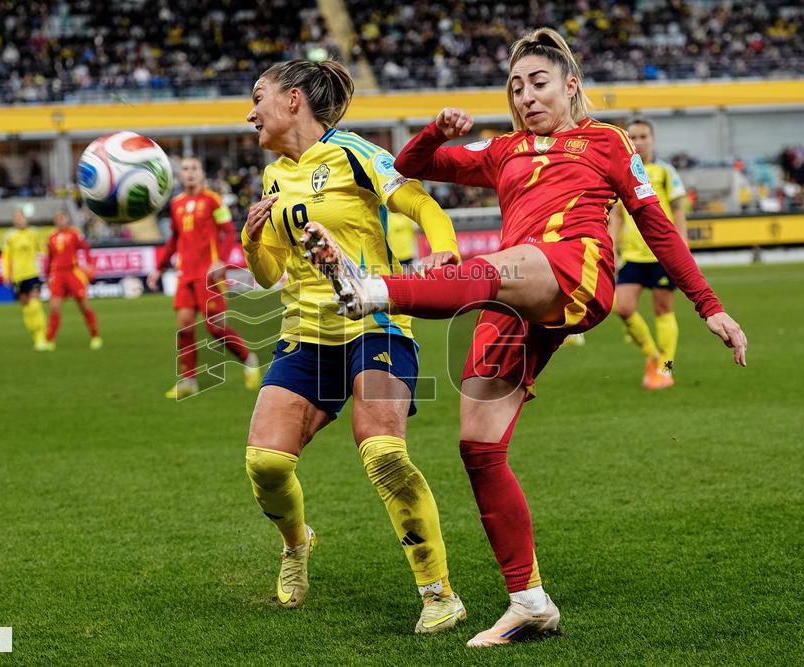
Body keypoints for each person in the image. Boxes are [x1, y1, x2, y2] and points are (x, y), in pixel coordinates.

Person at [302, 28, 747, 648]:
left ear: (570, 85)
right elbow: (410, 167)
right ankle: (529, 602)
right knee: (478, 446)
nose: (526, 96)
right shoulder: (503, 149)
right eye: (515, 87)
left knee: (498, 266)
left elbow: (657, 223)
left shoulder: (608, 142)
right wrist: (438, 131)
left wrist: (710, 306)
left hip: (574, 266)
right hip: (516, 296)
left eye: (538, 83)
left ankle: (369, 290)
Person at [241, 59, 468, 633]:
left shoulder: (354, 152)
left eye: (258, 97)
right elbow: (268, 275)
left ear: (293, 100)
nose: (251, 112)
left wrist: (441, 247)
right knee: (265, 464)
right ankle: (297, 544)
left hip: (374, 323)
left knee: (384, 453)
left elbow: (420, 202)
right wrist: (249, 240)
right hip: (306, 334)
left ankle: (439, 593)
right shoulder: (272, 178)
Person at [147, 157, 260, 398]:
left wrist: (219, 259)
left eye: (194, 169)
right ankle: (189, 381)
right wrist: (159, 267)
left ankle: (248, 358)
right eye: (185, 169)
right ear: (180, 176)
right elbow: (174, 240)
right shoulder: (176, 204)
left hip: (208, 275)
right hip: (184, 274)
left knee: (214, 328)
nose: (189, 173)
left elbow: (229, 233)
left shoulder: (213, 200)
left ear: (201, 174)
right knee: (184, 326)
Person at [608, 117, 689, 389]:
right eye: (633, 137)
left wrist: (683, 246)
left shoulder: (665, 172)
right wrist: (611, 245)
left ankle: (666, 367)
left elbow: (678, 210)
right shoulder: (622, 171)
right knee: (623, 308)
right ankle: (652, 356)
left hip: (662, 254)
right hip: (632, 255)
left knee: (663, 310)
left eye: (643, 137)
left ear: (652, 139)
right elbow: (617, 214)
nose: (638, 142)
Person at [43, 210, 102, 351]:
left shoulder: (74, 233)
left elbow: (85, 248)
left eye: (62, 218)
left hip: (72, 272)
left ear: (67, 219)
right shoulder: (51, 237)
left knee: (83, 305)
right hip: (57, 274)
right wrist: (46, 276)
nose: (60, 220)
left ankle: (95, 336)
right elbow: (49, 258)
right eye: (57, 218)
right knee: (54, 307)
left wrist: (89, 264)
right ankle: (49, 340)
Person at [1, 208, 47, 351]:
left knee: (35, 305)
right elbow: (6, 257)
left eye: (21, 217)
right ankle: (34, 334)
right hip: (17, 276)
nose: (19, 220)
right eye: (16, 218)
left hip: (33, 273)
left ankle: (41, 337)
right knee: (26, 309)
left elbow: (44, 251)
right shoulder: (9, 236)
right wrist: (6, 274)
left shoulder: (34, 233)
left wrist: (47, 269)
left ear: (26, 219)